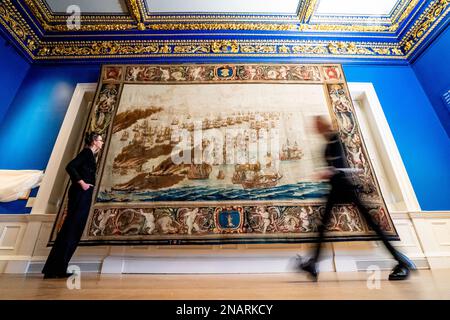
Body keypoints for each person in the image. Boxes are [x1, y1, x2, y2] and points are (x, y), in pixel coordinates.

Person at [297, 116, 415, 281]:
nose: (315, 130)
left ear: (322, 126)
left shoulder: (336, 140)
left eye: (317, 126)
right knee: (323, 225)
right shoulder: (328, 144)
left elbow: (344, 166)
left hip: (345, 187)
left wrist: (328, 172)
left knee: (370, 225)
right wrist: (329, 173)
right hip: (337, 188)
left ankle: (401, 261)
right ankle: (313, 263)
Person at [42, 132, 104, 279]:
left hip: (82, 194)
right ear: (94, 142)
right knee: (72, 229)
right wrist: (82, 183)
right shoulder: (87, 153)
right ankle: (56, 268)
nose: (102, 143)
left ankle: (56, 268)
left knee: (72, 229)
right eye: (100, 140)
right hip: (80, 194)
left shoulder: (90, 154)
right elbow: (70, 166)